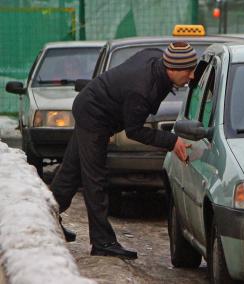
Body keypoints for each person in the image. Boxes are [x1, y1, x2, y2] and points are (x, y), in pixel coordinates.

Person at [50, 42, 196, 260]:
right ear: (173, 69)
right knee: (95, 179)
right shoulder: (142, 89)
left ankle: (46, 217)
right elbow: (134, 131)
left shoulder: (156, 57)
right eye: (189, 71)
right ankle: (103, 242)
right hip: (94, 115)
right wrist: (172, 141)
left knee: (71, 172)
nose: (192, 76)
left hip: (94, 107)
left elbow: (126, 82)